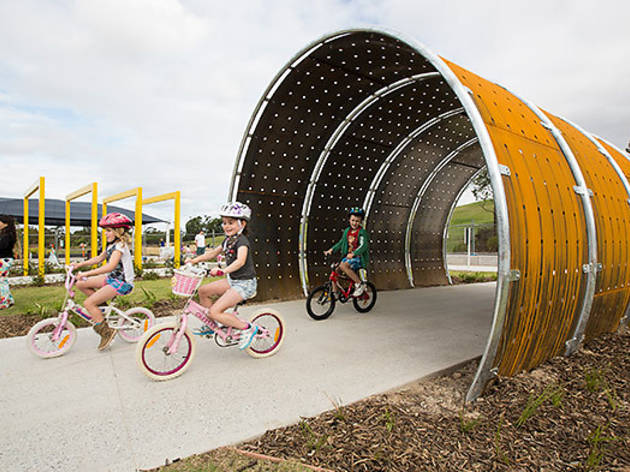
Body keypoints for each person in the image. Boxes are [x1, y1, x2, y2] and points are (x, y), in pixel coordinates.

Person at [185, 202, 258, 350]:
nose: (226, 226)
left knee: (214, 311)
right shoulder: (227, 241)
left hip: (245, 284)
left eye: (231, 223)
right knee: (203, 291)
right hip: (233, 281)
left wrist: (222, 271)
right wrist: (194, 260)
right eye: (224, 223)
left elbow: (240, 261)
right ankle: (213, 325)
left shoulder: (242, 242)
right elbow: (212, 253)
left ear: (242, 223)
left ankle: (248, 328)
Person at [71, 213, 135, 350]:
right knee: (80, 283)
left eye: (108, 230)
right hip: (112, 279)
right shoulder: (111, 245)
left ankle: (107, 332)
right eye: (105, 230)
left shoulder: (120, 247)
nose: (105, 234)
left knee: (88, 303)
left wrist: (86, 273)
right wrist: (79, 265)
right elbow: (99, 259)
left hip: (122, 283)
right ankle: (102, 309)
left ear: (118, 231)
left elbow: (110, 266)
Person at [324, 207, 370, 297]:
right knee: (335, 271)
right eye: (352, 220)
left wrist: (354, 254)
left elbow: (363, 246)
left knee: (343, 265)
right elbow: (341, 243)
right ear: (349, 220)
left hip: (358, 258)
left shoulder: (362, 232)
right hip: (348, 257)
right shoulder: (347, 231)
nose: (354, 223)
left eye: (357, 221)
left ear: (360, 222)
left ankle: (360, 284)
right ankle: (335, 293)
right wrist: (331, 250)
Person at [0, 215, 17, 309]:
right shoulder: (7, 234)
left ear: (5, 223)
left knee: (1, 281)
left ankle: (4, 302)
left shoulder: (7, 236)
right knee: (3, 280)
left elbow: (2, 246)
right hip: (5, 259)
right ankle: (9, 300)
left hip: (4, 259)